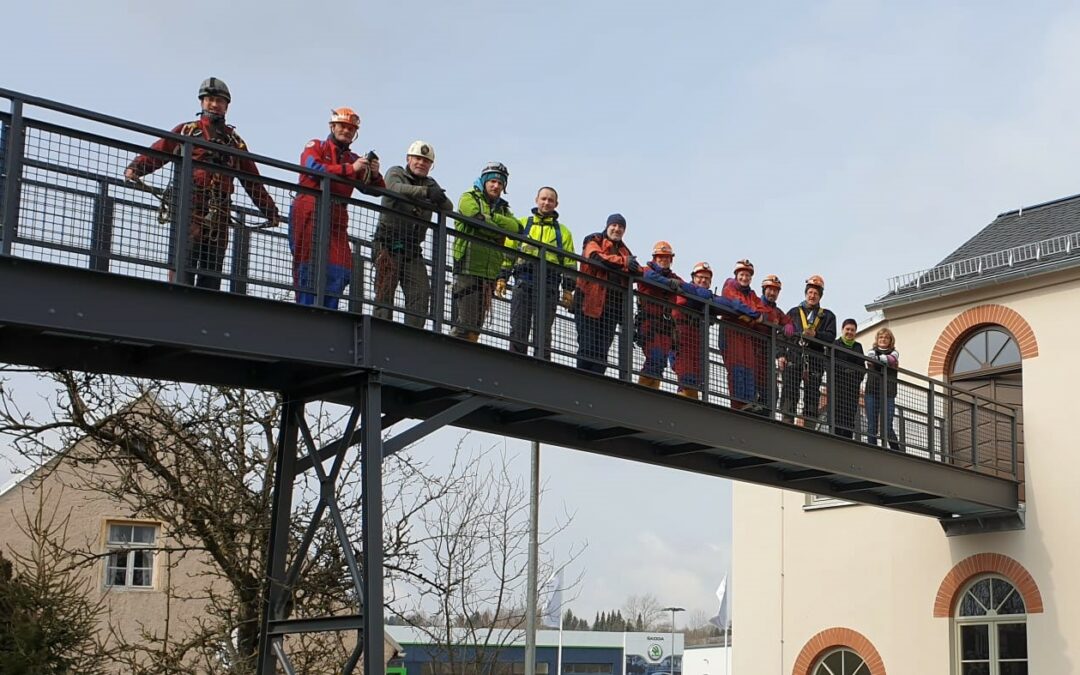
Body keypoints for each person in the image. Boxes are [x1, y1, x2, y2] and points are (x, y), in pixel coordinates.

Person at [125, 77, 281, 290]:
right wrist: (136, 168)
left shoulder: (235, 142)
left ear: (226, 106)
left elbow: (252, 180)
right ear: (202, 103)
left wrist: (270, 211)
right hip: (190, 211)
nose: (214, 104)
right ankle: (178, 306)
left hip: (220, 215)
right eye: (209, 100)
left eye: (219, 100)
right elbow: (159, 151)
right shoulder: (187, 131)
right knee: (183, 269)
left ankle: (208, 314)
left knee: (212, 274)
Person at [289, 107, 384, 309]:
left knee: (341, 269)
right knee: (309, 267)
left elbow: (375, 190)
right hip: (309, 211)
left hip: (337, 217)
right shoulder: (316, 146)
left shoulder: (353, 158)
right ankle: (306, 314)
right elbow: (312, 169)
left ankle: (328, 313)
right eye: (342, 126)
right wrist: (350, 170)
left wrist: (374, 174)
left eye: (351, 128)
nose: (346, 131)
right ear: (332, 126)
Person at [373, 141, 453, 327]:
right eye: (417, 158)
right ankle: (380, 332)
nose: (421, 163)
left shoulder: (431, 183)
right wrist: (426, 193)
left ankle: (413, 336)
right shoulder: (396, 172)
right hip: (387, 245)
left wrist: (435, 195)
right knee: (385, 293)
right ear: (408, 159)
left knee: (421, 292)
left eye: (426, 161)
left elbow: (448, 205)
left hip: (412, 250)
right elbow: (394, 188)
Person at [500, 186, 575, 358]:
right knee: (518, 328)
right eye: (543, 199)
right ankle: (516, 364)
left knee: (543, 333)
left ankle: (542, 365)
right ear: (536, 200)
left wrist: (568, 290)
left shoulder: (563, 232)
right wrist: (502, 278)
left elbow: (569, 263)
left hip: (549, 284)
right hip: (524, 281)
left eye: (550, 200)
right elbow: (508, 255)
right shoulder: (523, 225)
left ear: (556, 204)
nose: (546, 202)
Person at [451, 162, 519, 341]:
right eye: (492, 181)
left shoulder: (503, 208)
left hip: (489, 273)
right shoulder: (469, 197)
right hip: (468, 267)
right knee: (465, 322)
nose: (496, 186)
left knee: (476, 326)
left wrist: (491, 219)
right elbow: (475, 218)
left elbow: (517, 228)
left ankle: (467, 359)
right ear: (484, 181)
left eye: (500, 183)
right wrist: (497, 230)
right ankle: (450, 354)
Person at [673, 262, 759, 400]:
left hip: (697, 340)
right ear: (693, 277)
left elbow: (726, 303)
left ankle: (690, 406)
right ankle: (683, 405)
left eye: (707, 279)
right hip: (681, 336)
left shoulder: (708, 297)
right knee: (686, 375)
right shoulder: (685, 289)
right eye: (700, 277)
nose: (703, 280)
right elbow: (698, 294)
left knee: (696, 377)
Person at [635, 242, 712, 389]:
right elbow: (650, 277)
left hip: (665, 328)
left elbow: (698, 292)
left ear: (671, 260)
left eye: (667, 257)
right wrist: (670, 283)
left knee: (660, 361)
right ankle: (643, 392)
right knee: (656, 358)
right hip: (649, 323)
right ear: (655, 258)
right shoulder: (646, 271)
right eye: (660, 257)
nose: (664, 260)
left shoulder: (675, 278)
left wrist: (680, 285)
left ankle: (650, 391)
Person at [575, 214, 638, 374]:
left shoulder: (625, 250)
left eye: (621, 227)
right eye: (614, 225)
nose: (617, 229)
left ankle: (596, 386)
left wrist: (625, 264)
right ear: (607, 225)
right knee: (587, 347)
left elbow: (637, 270)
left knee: (602, 352)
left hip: (612, 309)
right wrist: (623, 263)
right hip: (589, 303)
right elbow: (595, 257)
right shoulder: (594, 240)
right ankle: (581, 383)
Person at [780, 274, 837, 429]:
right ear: (806, 293)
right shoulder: (793, 313)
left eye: (816, 294)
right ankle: (787, 424)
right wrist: (781, 355)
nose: (812, 296)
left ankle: (809, 427)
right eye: (810, 292)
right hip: (794, 356)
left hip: (815, 360)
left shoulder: (827, 316)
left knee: (812, 395)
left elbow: (831, 337)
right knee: (790, 391)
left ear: (820, 296)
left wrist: (816, 335)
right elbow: (782, 335)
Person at [720, 260, 766, 410]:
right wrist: (753, 314)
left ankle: (749, 401)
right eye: (742, 274)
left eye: (747, 275)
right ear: (736, 275)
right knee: (736, 366)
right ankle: (738, 403)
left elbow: (762, 309)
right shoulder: (729, 287)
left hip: (745, 334)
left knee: (749, 366)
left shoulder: (751, 294)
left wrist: (750, 314)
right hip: (731, 332)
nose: (745, 278)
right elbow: (736, 304)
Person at [753, 274, 795, 413]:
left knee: (772, 393)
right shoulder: (756, 304)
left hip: (767, 355)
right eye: (770, 289)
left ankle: (765, 416)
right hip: (753, 351)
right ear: (764, 289)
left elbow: (788, 320)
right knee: (753, 387)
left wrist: (789, 325)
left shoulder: (776, 312)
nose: (772, 293)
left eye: (775, 291)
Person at [865, 327, 901, 450]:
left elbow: (891, 360)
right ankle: (872, 450)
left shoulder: (894, 353)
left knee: (887, 426)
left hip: (888, 393)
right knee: (871, 425)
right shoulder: (871, 351)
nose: (883, 339)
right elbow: (871, 360)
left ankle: (896, 450)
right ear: (877, 339)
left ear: (890, 340)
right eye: (881, 337)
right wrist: (883, 361)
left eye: (886, 337)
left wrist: (879, 360)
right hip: (872, 391)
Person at [833, 318, 867, 439]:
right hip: (838, 384)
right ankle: (836, 437)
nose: (850, 332)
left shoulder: (858, 346)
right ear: (842, 330)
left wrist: (856, 378)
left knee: (850, 411)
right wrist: (842, 373)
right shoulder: (835, 344)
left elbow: (861, 366)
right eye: (847, 329)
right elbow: (831, 363)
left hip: (852, 385)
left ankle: (848, 438)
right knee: (838, 411)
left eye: (852, 330)